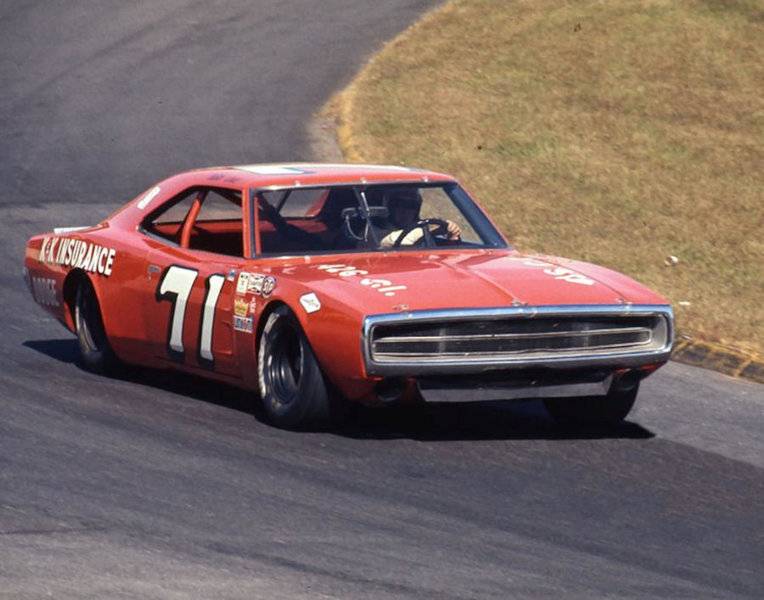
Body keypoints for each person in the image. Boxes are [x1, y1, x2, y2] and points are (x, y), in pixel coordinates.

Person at [377, 188, 461, 248]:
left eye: (411, 205)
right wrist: (428, 229)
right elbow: (391, 241)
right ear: (391, 206)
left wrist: (451, 235)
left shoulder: (422, 228)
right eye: (400, 204)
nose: (406, 210)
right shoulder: (376, 231)